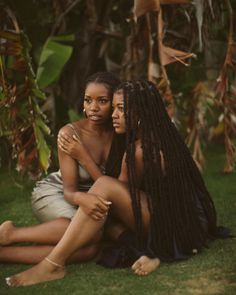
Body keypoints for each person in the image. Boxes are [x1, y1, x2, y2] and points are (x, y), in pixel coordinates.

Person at [5, 80, 221, 286]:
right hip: (183, 219)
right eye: (114, 108)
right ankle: (12, 252)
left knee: (100, 205)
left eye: (120, 109)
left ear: (140, 113)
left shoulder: (140, 151)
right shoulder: (161, 136)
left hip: (176, 227)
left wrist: (84, 162)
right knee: (90, 244)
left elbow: (113, 194)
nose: (114, 115)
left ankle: (53, 263)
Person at [0, 72, 125, 264]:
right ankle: (13, 234)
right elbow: (69, 191)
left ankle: (4, 253)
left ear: (114, 103)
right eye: (88, 100)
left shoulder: (120, 132)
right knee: (90, 236)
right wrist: (83, 198)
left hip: (94, 197)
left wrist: (83, 156)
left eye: (102, 101)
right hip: (59, 192)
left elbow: (111, 185)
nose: (93, 108)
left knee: (89, 251)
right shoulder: (70, 133)